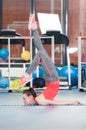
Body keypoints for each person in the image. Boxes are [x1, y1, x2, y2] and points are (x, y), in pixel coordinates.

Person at [19, 14, 81, 105]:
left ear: (31, 97)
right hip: (53, 80)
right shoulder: (39, 100)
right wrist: (71, 102)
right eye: (24, 99)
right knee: (40, 53)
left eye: (24, 99)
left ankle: (34, 27)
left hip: (50, 79)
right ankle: (28, 74)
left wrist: (73, 101)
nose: (23, 101)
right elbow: (54, 103)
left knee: (40, 49)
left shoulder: (38, 99)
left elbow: (54, 101)